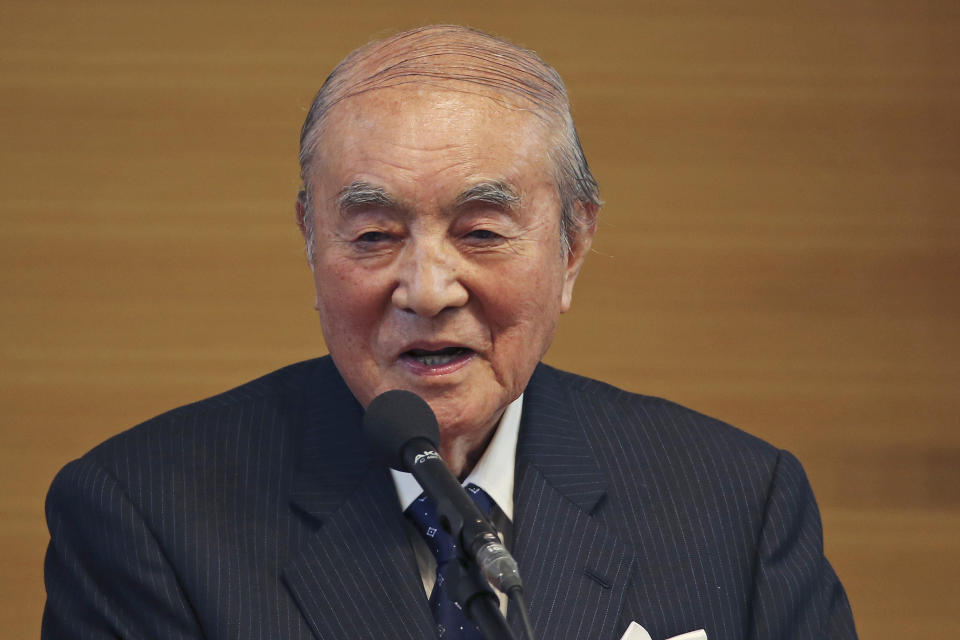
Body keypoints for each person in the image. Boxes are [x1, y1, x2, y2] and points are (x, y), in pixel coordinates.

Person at [42, 25, 857, 640]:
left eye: (480, 232)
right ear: (310, 238)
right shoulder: (145, 516)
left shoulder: (736, 505)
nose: (428, 291)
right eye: (372, 236)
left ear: (573, 246)